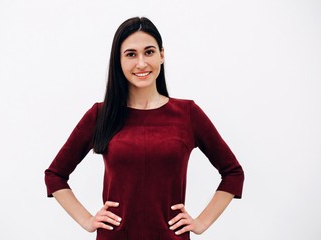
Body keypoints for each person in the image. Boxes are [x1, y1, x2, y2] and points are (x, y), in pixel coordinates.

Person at [44, 17, 244, 240]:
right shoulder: (101, 115)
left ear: (162, 55)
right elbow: (55, 175)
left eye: (149, 52)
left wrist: (201, 222)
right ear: (118, 61)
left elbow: (233, 173)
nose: (141, 63)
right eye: (131, 54)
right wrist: (87, 220)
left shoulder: (188, 113)